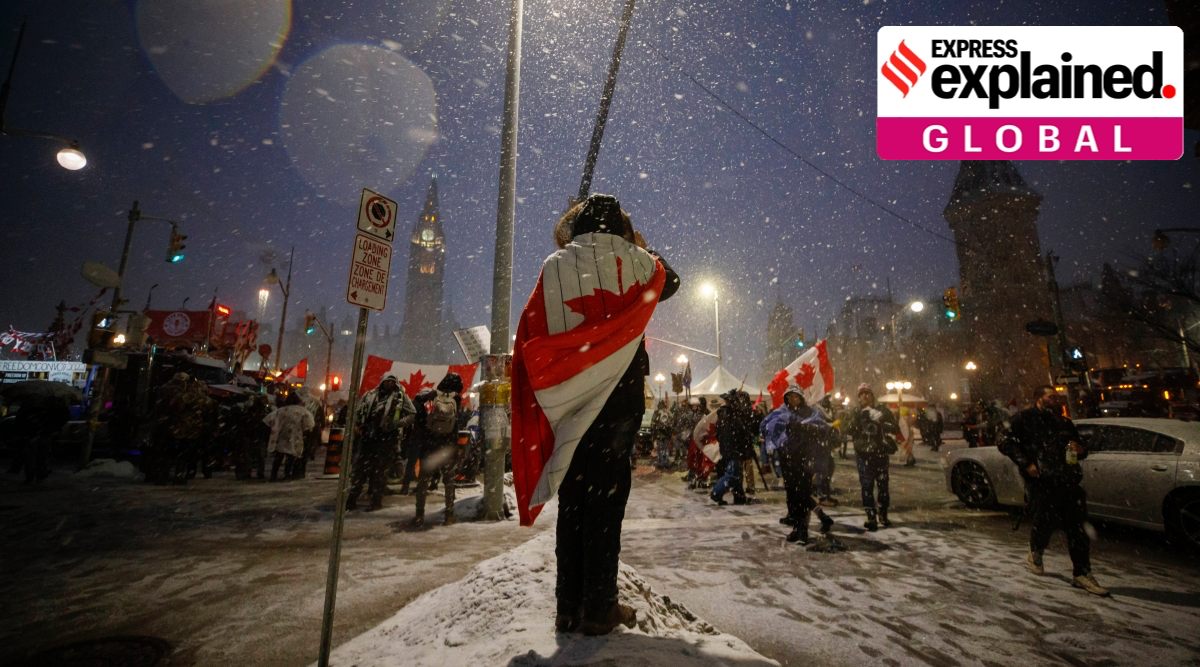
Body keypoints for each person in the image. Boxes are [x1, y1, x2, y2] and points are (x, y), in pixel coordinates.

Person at [511, 193, 679, 636]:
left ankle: (567, 606)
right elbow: (672, 282)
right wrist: (642, 245)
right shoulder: (641, 262)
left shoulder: (554, 266)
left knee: (573, 502)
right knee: (606, 504)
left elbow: (533, 325)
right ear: (621, 226)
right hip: (618, 402)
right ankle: (599, 607)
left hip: (569, 397)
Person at [1007, 385, 1108, 596]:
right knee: (1045, 522)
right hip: (1042, 482)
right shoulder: (1024, 419)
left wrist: (1081, 450)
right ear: (1039, 398)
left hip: (1068, 481)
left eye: (1057, 397)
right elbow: (1006, 443)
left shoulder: (1064, 423)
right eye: (1051, 397)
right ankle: (1036, 551)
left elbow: (1078, 448)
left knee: (1078, 529)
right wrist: (1027, 464)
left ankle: (1082, 573)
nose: (1056, 400)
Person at [761, 386, 836, 544]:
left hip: (804, 460)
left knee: (802, 494)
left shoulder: (810, 413)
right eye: (789, 397)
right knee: (792, 496)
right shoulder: (782, 413)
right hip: (787, 460)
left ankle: (803, 530)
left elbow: (823, 429)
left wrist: (804, 428)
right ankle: (798, 526)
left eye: (796, 397)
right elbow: (767, 427)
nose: (792, 400)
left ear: (801, 398)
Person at [347, 375, 415, 511]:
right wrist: (359, 424)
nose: (389, 384)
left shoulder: (400, 397)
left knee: (380, 472)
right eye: (387, 381)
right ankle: (351, 500)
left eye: (392, 382)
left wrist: (396, 424)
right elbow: (359, 411)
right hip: (368, 437)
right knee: (360, 471)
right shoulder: (370, 395)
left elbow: (412, 414)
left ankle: (376, 501)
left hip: (387, 439)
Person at [412, 372, 467, 527]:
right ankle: (449, 515)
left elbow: (416, 403)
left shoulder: (432, 395)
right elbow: (456, 424)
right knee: (449, 481)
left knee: (423, 482)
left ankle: (419, 515)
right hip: (447, 447)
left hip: (429, 445)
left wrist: (424, 428)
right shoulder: (456, 399)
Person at [845, 383, 899, 531]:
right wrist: (859, 420)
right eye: (861, 394)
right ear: (858, 398)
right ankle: (871, 517)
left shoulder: (882, 410)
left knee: (883, 485)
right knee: (867, 486)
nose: (864, 396)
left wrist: (881, 421)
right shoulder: (856, 412)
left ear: (872, 395)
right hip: (863, 455)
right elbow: (848, 430)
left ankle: (883, 514)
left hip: (880, 453)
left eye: (867, 393)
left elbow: (895, 427)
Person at [150, 373, 215, 485]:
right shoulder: (186, 393)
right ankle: (177, 475)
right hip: (182, 428)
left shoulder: (164, 389)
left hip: (166, 426)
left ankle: (162, 475)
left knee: (165, 453)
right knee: (180, 454)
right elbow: (203, 404)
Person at [710, 390, 756, 506]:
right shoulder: (732, 416)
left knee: (737, 474)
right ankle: (716, 492)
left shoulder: (726, 415)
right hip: (734, 449)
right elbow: (741, 434)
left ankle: (739, 496)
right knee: (732, 474)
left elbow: (721, 434)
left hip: (729, 449)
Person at [263, 392, 315, 482]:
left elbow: (268, 420)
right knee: (291, 455)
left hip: (281, 436)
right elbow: (309, 425)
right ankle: (287, 474)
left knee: (279, 456)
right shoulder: (302, 411)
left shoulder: (281, 411)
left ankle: (273, 475)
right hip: (295, 436)